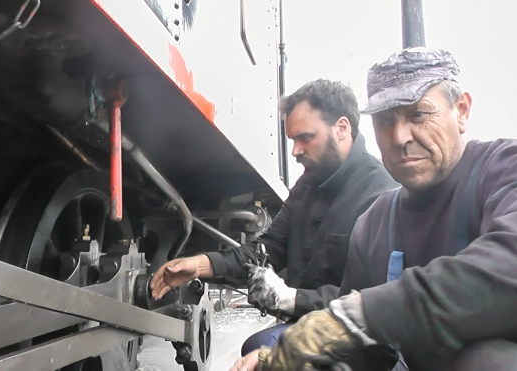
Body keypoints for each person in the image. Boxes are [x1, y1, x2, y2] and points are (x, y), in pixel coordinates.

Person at [230, 47, 517, 371]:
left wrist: (359, 314)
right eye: (384, 121)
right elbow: (367, 353)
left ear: (461, 110)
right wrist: (287, 360)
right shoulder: (374, 224)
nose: (399, 136)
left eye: (419, 113)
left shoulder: (502, 170)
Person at [149, 79, 398, 355]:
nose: (295, 151)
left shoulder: (381, 195)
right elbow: (266, 251)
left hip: (358, 340)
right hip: (308, 324)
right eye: (292, 140)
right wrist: (202, 265)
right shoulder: (307, 186)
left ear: (341, 128)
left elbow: (373, 302)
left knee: (260, 350)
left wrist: (291, 299)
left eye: (306, 138)